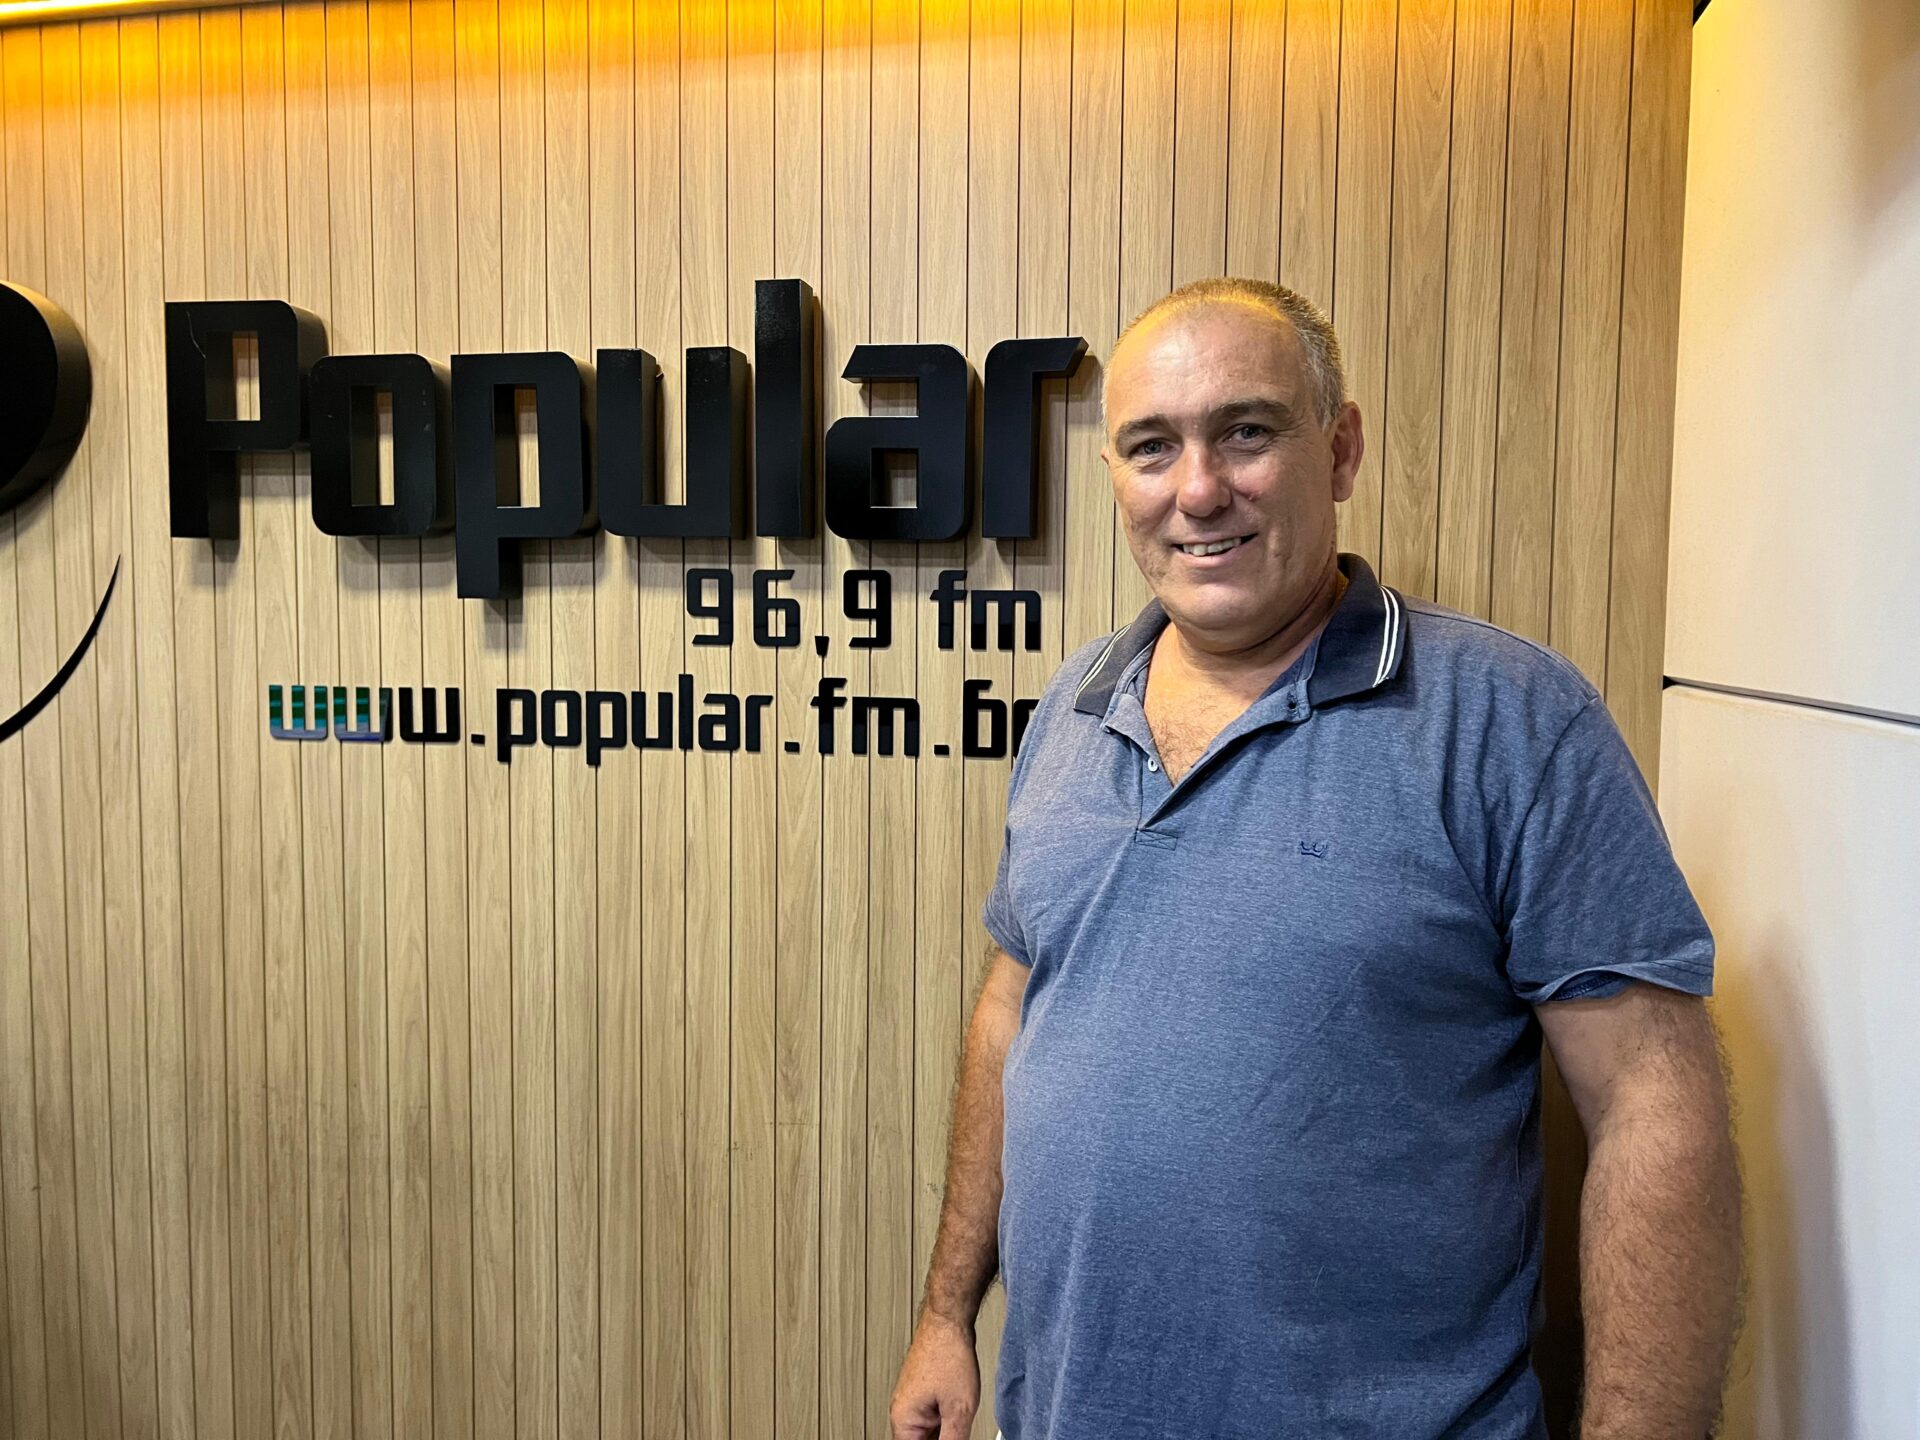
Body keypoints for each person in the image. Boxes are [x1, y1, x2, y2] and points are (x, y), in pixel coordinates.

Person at [888, 278, 1742, 1440]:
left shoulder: (1509, 720)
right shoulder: (1074, 708)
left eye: (1246, 431)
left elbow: (1654, 1101)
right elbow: (1014, 1008)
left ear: (1339, 450)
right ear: (1115, 476)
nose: (1198, 490)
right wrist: (947, 1313)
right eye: (1152, 446)